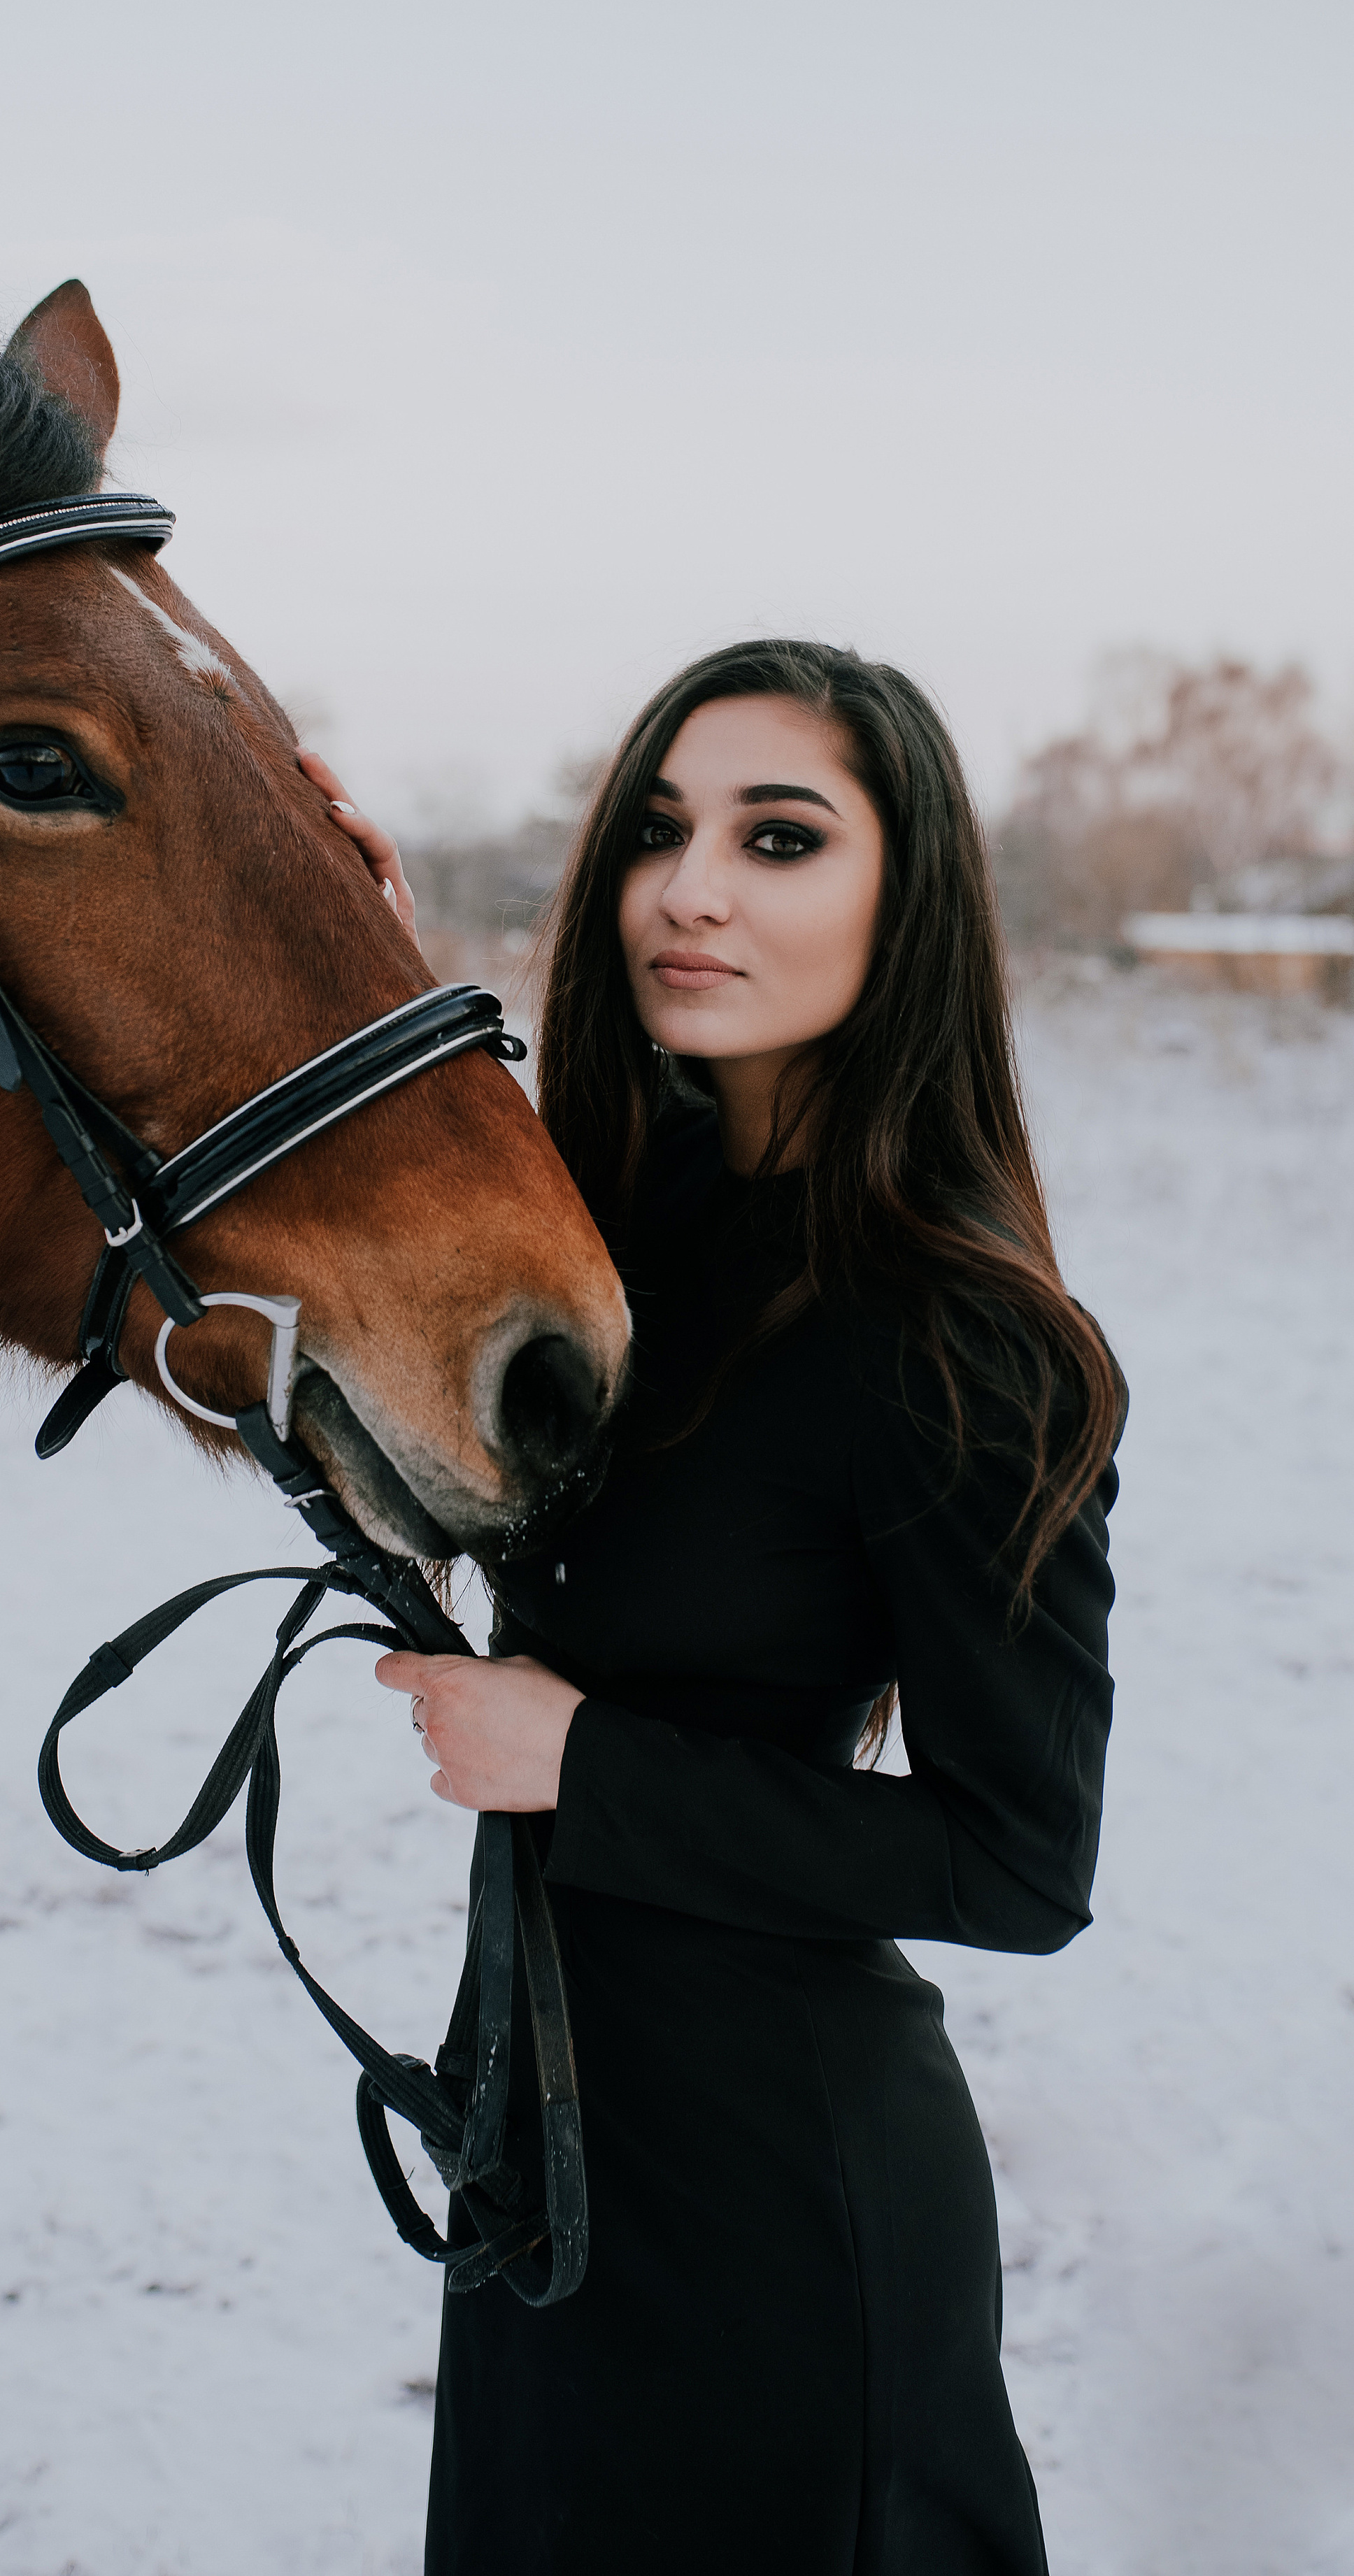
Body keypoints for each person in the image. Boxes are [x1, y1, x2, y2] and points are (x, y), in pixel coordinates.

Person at [299, 637, 1123, 2576]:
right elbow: (464, 1217)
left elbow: (1025, 1862)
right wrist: (351, 948)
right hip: (546, 2148)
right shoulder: (645, 1229)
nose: (693, 887)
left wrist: (583, 1758)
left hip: (780, 2212)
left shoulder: (958, 1339)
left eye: (779, 837)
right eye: (663, 830)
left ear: (901, 899)